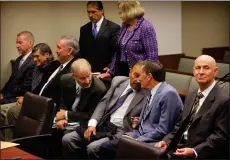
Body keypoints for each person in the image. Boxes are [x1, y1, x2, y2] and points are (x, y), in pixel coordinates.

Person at [62, 63, 150, 159]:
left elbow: (148, 117)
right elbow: (103, 103)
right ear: (130, 72)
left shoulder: (147, 93)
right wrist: (92, 124)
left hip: (121, 130)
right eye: (136, 75)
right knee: (68, 139)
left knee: (93, 148)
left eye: (142, 77)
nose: (138, 80)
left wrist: (139, 120)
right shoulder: (118, 81)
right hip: (104, 124)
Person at [99, 60, 184, 159]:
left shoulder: (168, 93)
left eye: (140, 75)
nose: (138, 79)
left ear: (149, 76)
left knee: (109, 148)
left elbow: (163, 129)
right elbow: (153, 118)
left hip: (153, 140)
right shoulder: (151, 90)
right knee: (105, 147)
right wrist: (139, 121)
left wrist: (137, 140)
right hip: (139, 133)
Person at [155, 55, 229, 159]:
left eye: (206, 68)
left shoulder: (224, 100)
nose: (201, 72)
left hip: (202, 153)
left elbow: (220, 136)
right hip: (180, 147)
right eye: (198, 68)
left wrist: (194, 151)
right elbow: (180, 125)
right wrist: (167, 141)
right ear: (194, 71)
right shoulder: (191, 95)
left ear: (215, 71)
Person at [0, 43, 59, 140]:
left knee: (11, 111)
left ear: (47, 54)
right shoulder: (36, 68)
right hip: (30, 98)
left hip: (40, 102)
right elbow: (32, 88)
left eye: (37, 56)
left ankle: (11, 143)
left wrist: (26, 98)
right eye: (33, 57)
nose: (34, 60)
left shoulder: (53, 68)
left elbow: (42, 90)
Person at [98, 1, 158, 79]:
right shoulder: (124, 26)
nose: (120, 15)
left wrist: (142, 75)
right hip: (122, 72)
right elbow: (118, 52)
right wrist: (110, 72)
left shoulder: (146, 27)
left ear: (128, 12)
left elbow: (152, 58)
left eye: (121, 12)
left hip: (138, 75)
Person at [55, 58, 107, 130]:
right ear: (73, 76)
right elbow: (63, 100)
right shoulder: (65, 79)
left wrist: (66, 115)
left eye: (89, 75)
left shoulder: (99, 89)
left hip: (83, 122)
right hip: (67, 117)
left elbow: (91, 115)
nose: (87, 81)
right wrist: (62, 117)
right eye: (82, 78)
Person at [79, 1, 120, 73]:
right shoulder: (84, 29)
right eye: (88, 12)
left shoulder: (113, 28)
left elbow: (117, 51)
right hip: (88, 72)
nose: (90, 15)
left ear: (102, 11)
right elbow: (81, 51)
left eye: (93, 12)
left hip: (106, 71)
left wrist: (111, 66)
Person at [39, 35, 79, 108]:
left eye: (59, 48)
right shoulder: (57, 64)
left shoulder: (71, 71)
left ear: (69, 51)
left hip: (49, 110)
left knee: (12, 111)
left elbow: (65, 99)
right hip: (40, 102)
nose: (56, 51)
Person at [0, 31, 35, 104]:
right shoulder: (18, 60)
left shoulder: (34, 61)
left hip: (19, 98)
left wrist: (5, 96)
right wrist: (2, 93)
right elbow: (11, 80)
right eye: (17, 43)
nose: (17, 46)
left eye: (20, 42)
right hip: (10, 95)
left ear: (30, 43)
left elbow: (25, 87)